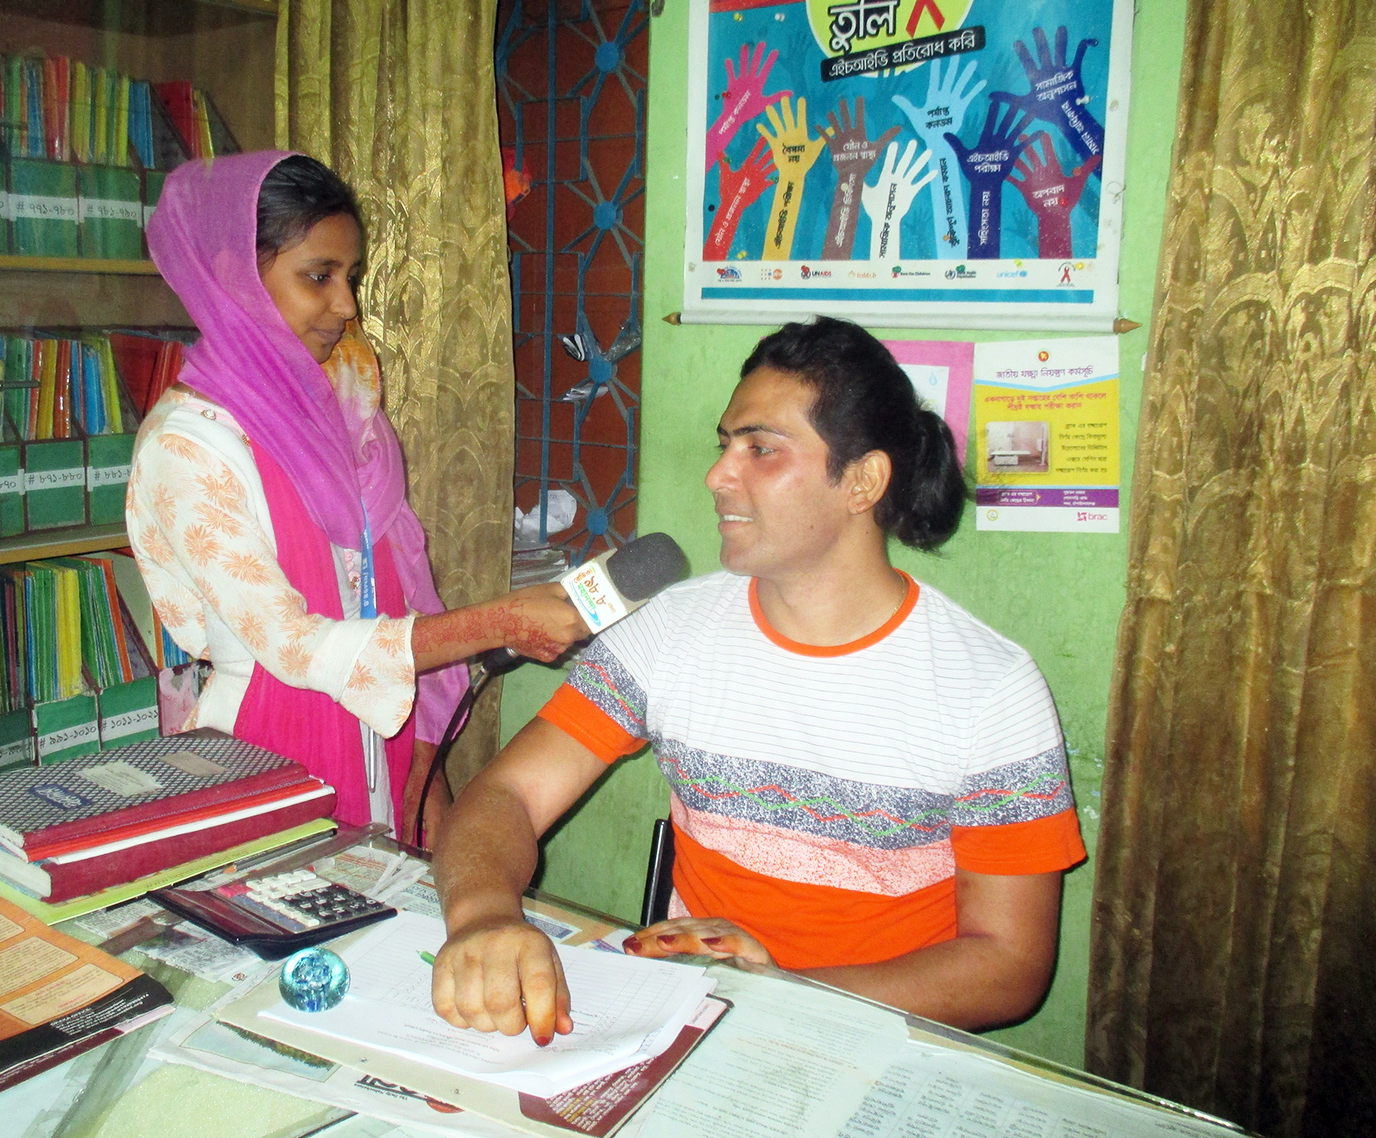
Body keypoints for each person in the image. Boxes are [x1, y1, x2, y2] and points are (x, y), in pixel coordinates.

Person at [430, 317, 1087, 1037]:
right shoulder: (670, 630)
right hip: (689, 1021)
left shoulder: (989, 689)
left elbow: (1008, 965)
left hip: (868, 1042)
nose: (717, 476)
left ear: (862, 481)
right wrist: (484, 916)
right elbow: (507, 795)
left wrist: (778, 995)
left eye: (761, 449)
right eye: (724, 445)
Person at [128, 151, 585, 844]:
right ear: (232, 276)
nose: (346, 306)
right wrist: (500, 622)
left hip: (377, 733)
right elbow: (292, 645)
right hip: (260, 753)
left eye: (350, 277)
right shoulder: (187, 446)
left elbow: (395, 587)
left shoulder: (342, 412)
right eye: (319, 277)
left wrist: (424, 757)